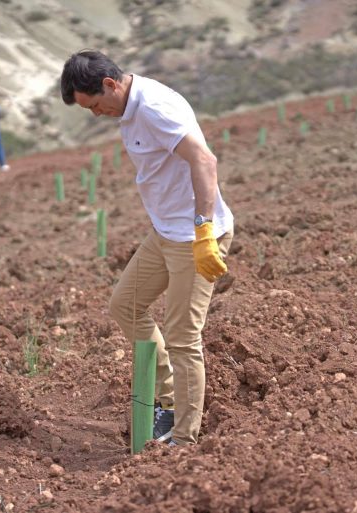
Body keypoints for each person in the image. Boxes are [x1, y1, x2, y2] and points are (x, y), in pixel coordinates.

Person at [60, 50, 234, 447]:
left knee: (182, 335)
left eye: (94, 105)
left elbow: (204, 161)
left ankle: (185, 439)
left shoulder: (154, 107)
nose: (96, 114)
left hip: (193, 237)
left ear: (109, 84)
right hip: (164, 234)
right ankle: (169, 404)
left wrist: (204, 230)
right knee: (125, 304)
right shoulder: (128, 109)